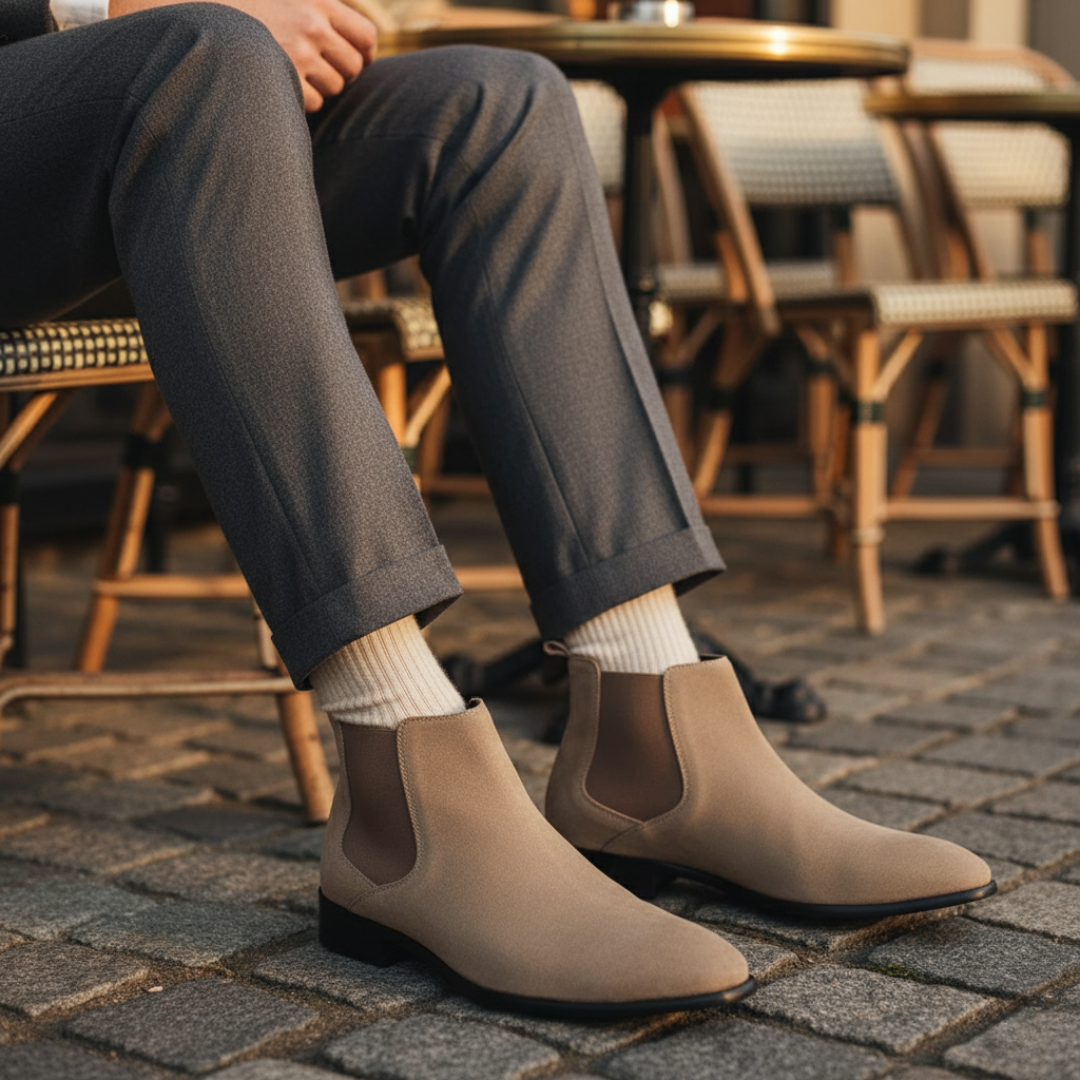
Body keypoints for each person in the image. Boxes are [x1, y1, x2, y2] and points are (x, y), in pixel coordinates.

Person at [0, 0, 996, 1019]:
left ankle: (654, 740)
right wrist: (114, 6)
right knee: (204, 55)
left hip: (136, 134)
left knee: (499, 102)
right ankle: (401, 790)